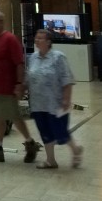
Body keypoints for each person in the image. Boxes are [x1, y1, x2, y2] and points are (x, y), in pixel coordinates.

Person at [0, 10, 41, 164]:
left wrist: (19, 84)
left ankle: (30, 144)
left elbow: (19, 63)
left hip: (6, 87)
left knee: (14, 117)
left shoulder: (10, 39)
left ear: (1, 22)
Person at [27, 28, 83, 169]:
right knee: (44, 131)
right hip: (38, 103)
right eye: (36, 38)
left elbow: (67, 79)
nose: (37, 40)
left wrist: (66, 99)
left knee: (60, 131)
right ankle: (50, 160)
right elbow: (29, 78)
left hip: (55, 103)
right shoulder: (32, 57)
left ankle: (76, 150)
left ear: (49, 41)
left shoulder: (58, 57)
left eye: (40, 38)